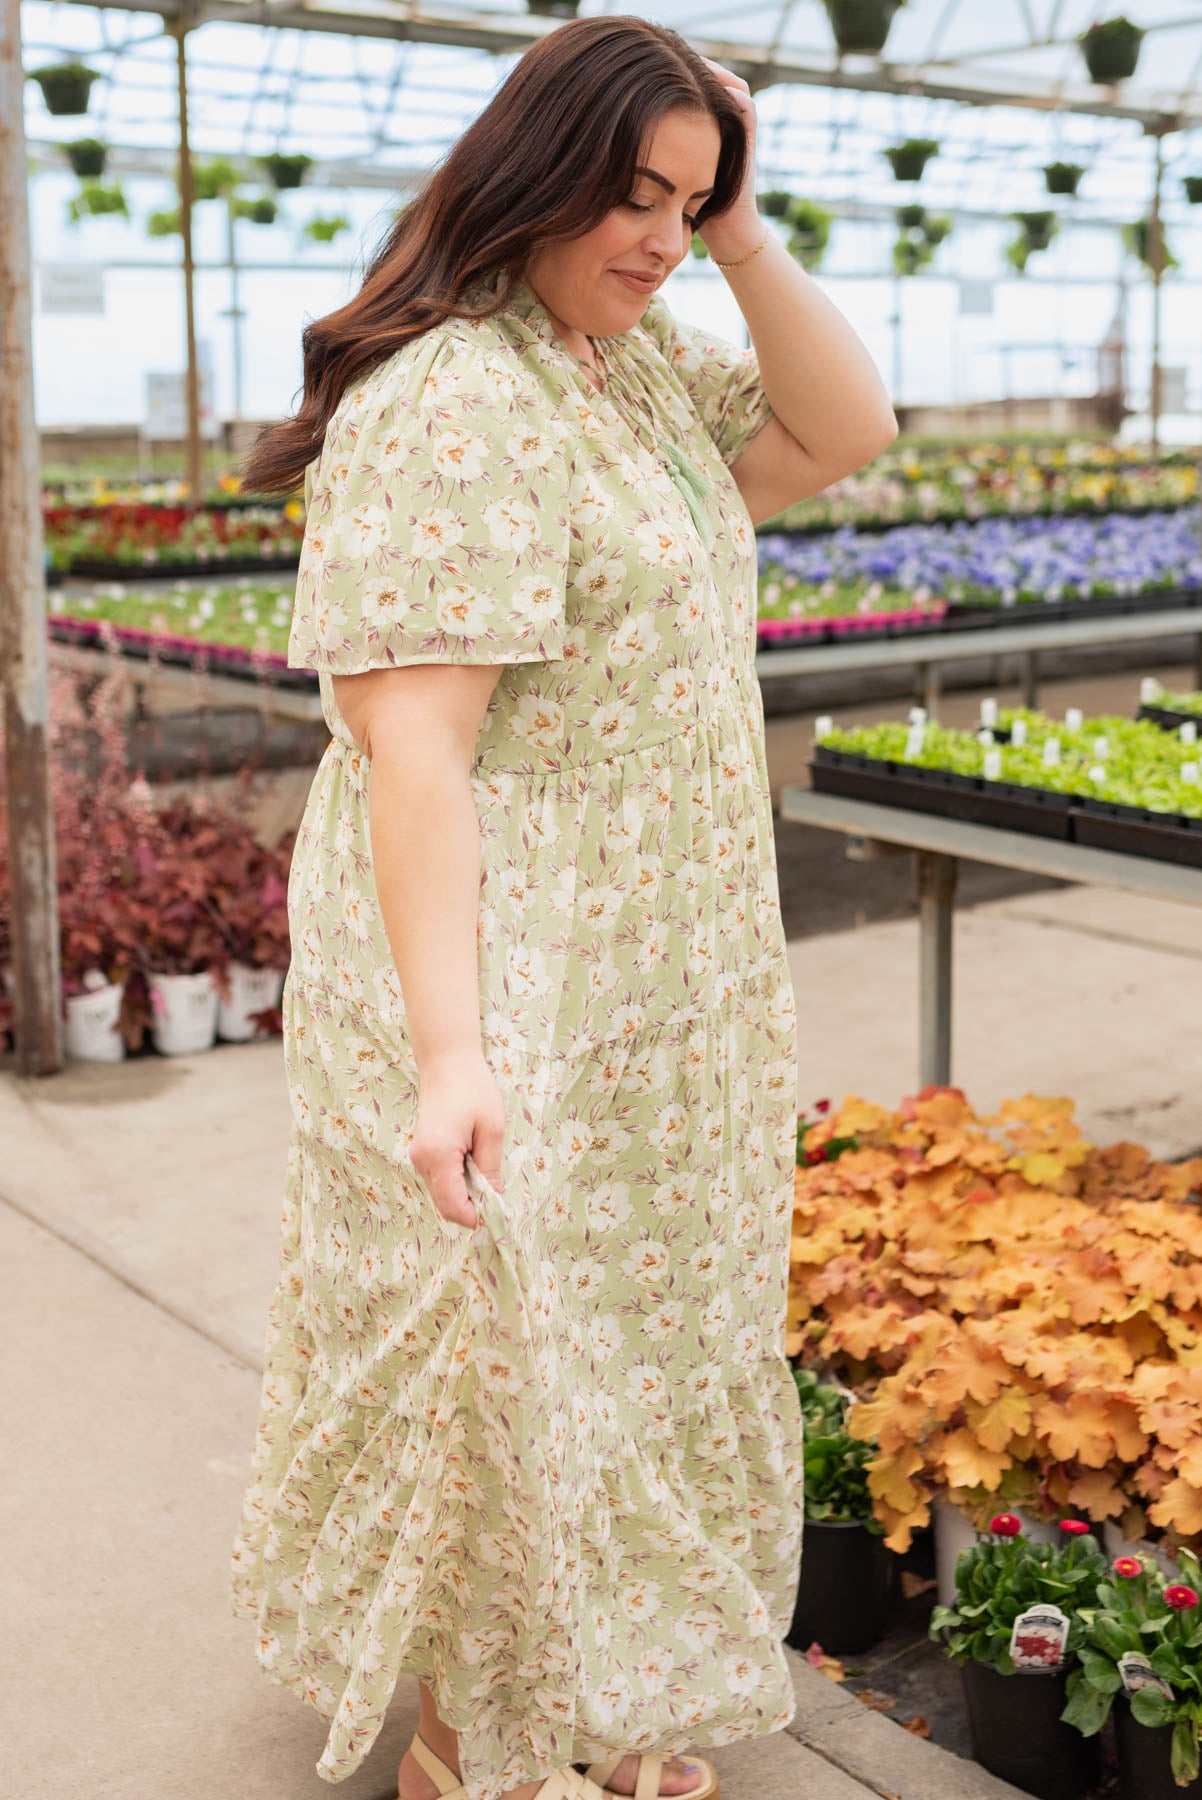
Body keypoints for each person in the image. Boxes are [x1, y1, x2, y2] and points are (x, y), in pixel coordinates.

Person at [227, 15, 898, 1800]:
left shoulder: (638, 368)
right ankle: (478, 1729)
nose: (660, 235)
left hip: (651, 953)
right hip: (501, 952)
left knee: (630, 1338)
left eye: (687, 202)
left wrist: (744, 224)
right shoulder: (459, 393)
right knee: (499, 1346)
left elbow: (849, 428)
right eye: (631, 193)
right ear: (529, 175)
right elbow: (420, 749)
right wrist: (449, 1052)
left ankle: (593, 1694)